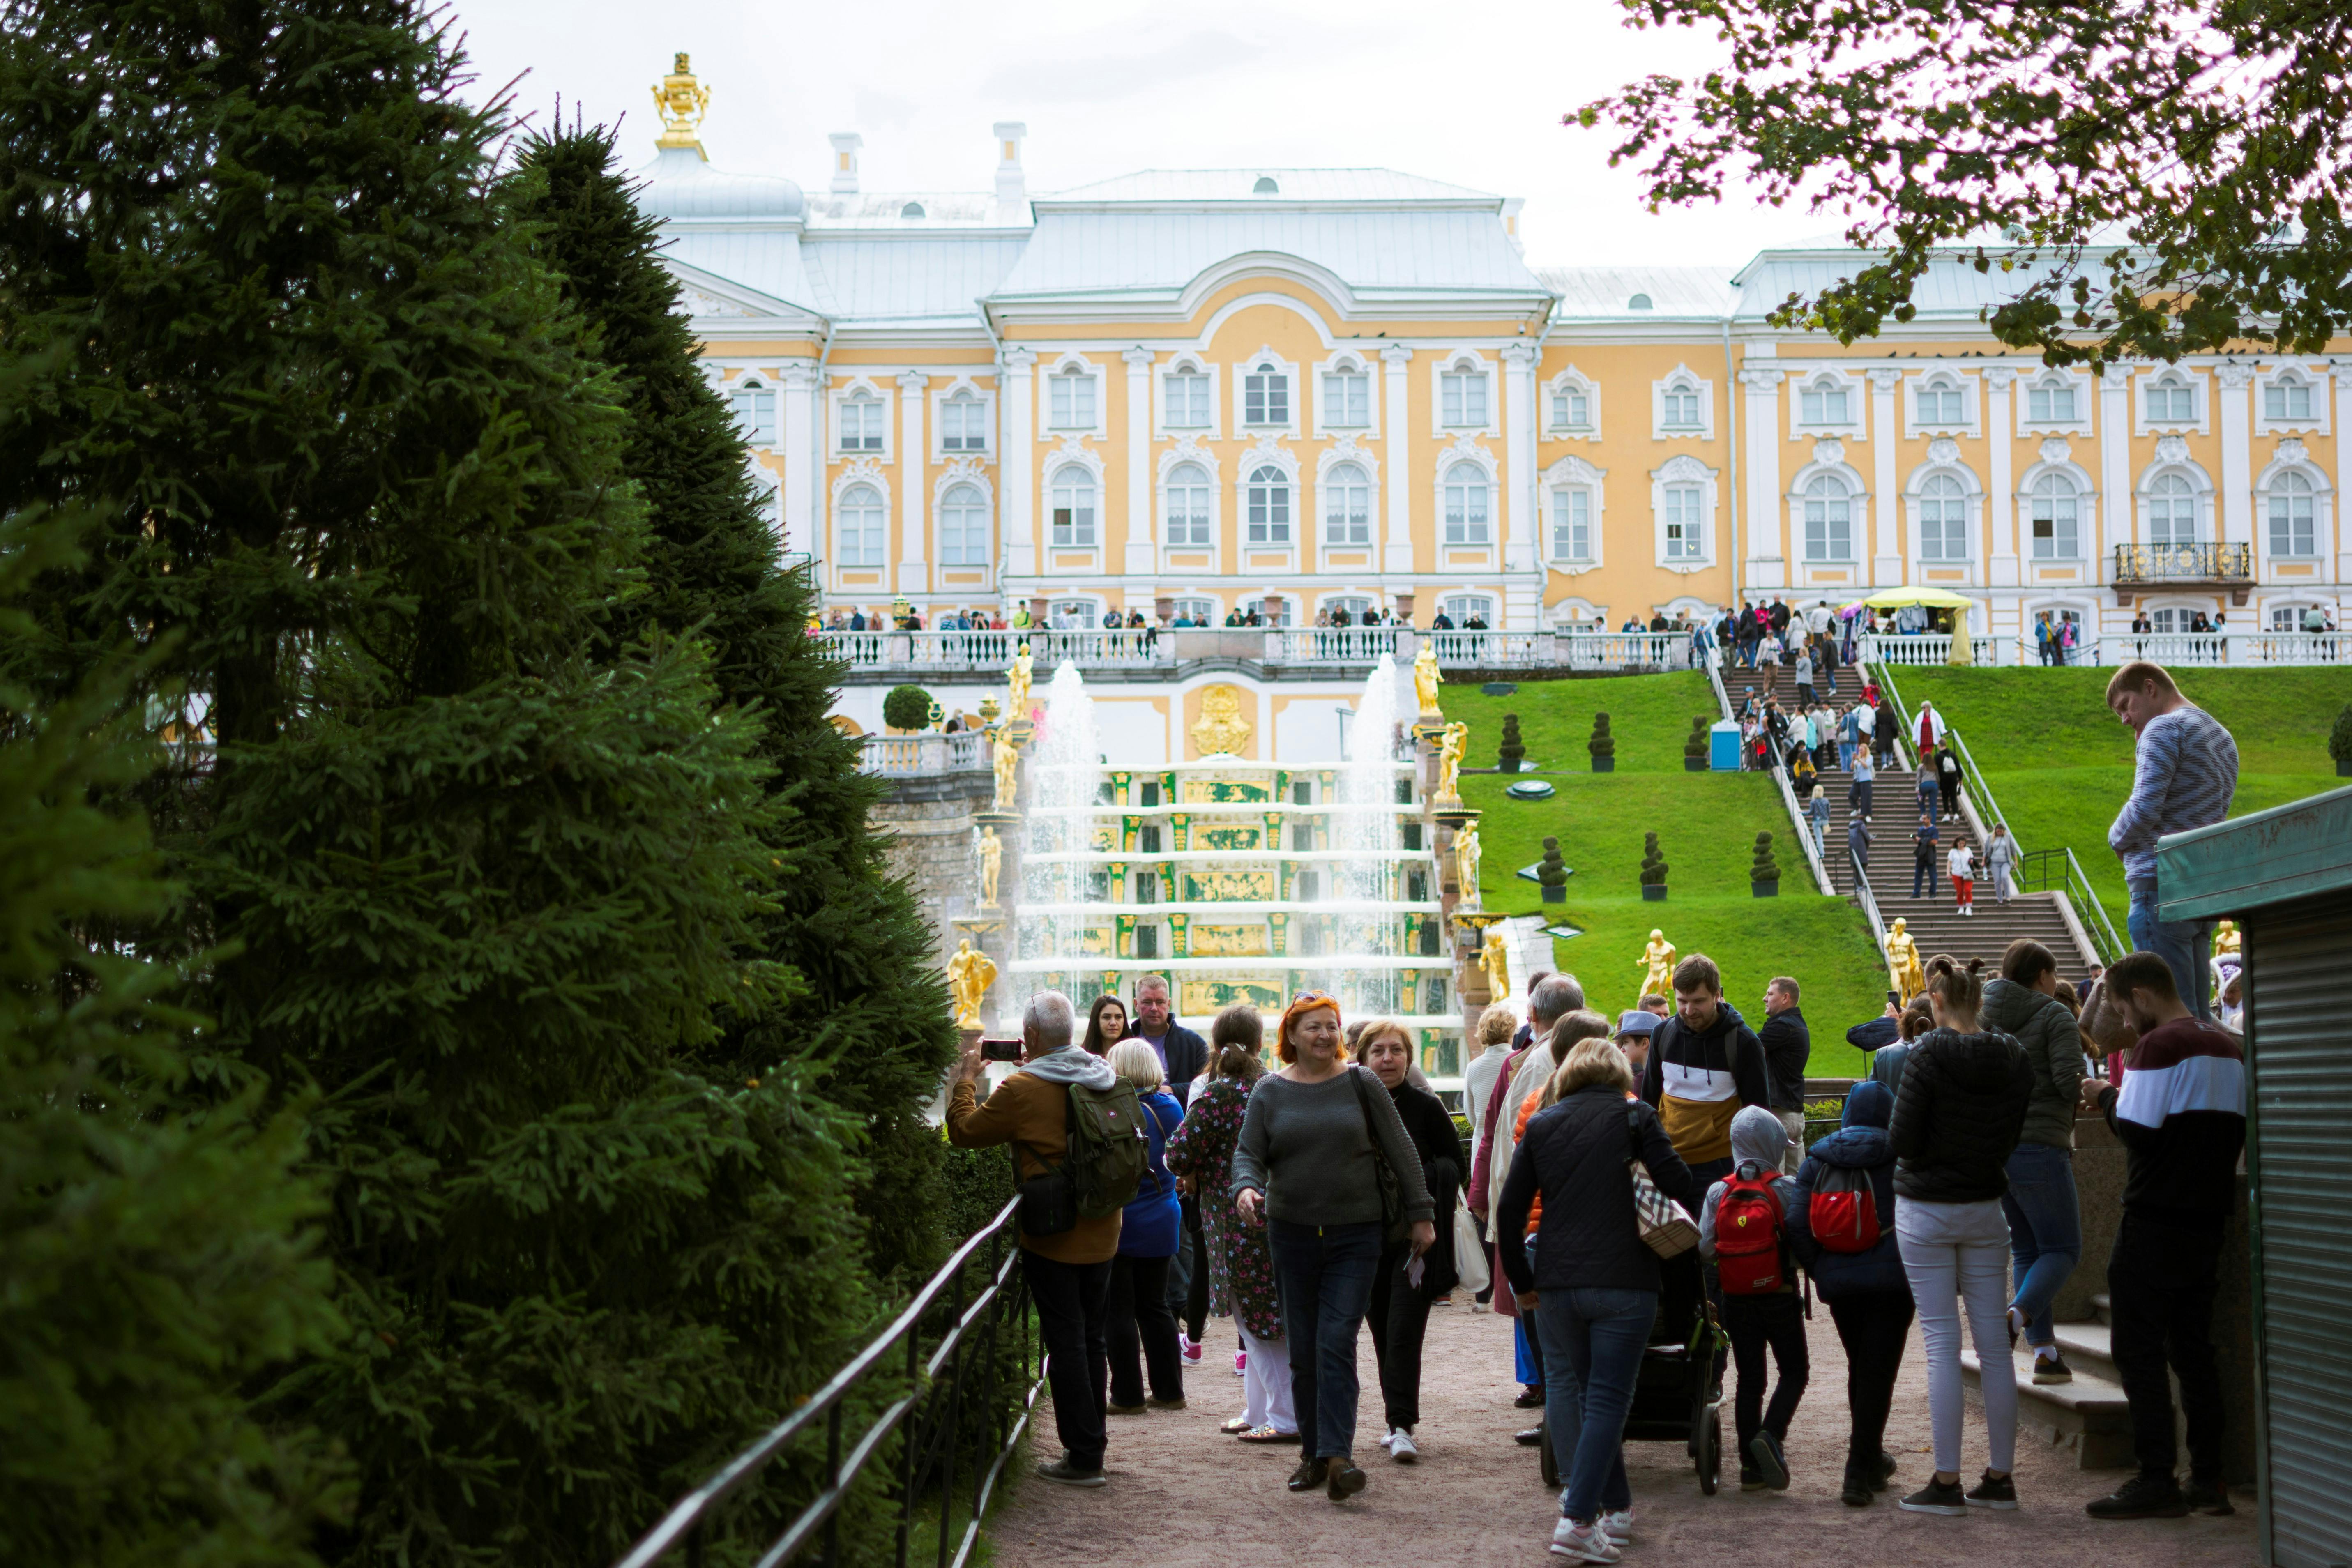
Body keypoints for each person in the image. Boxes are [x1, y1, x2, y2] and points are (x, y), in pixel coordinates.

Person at [1497, 1036, 1698, 1564]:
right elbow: (1680, 1183)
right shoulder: (1636, 1118)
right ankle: (1578, 1518)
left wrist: (1522, 1284)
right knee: (1609, 1400)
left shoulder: (1542, 1124)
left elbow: (1509, 1211)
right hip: (1625, 1279)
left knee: (1591, 1398)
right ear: (1618, 1075)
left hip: (1557, 1283)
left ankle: (1617, 1508)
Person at [1231, 993, 1435, 1501]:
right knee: (1303, 1348)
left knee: (1335, 1340)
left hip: (1356, 1234)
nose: (1325, 1035)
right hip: (1291, 1232)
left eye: (1332, 1026)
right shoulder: (1269, 1091)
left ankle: (1339, 1456)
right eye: (1314, 1027)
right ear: (1292, 1036)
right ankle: (1313, 1456)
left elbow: (1402, 1150)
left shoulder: (1361, 1082)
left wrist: (1422, 1214)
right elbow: (1248, 1154)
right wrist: (1245, 1188)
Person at [2076, 955, 2246, 1520]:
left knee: (2139, 1351)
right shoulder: (2226, 1043)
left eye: (2124, 1009)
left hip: (2154, 1217)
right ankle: (2209, 1478)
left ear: (2142, 995)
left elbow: (2137, 1131)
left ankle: (2155, 1478)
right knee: (2194, 1351)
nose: (2125, 1020)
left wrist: (2103, 1094)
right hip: (2207, 1217)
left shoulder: (2160, 1046)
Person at [945, 991, 1123, 1487]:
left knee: (1066, 1340)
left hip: (1054, 1234)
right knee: (1092, 1337)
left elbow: (963, 1132)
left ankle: (1084, 1457)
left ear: (1030, 1038)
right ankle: (1094, 1444)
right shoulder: (1101, 1072)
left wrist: (966, 1081)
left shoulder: (1022, 1088)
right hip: (1104, 1226)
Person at [1887, 956, 2033, 1515]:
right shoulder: (2015, 1058)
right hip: (1984, 1204)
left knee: (1941, 1344)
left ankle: (1946, 1482)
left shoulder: (1926, 1053)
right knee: (1993, 1346)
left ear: (1938, 1002)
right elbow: (2012, 1134)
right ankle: (2000, 1477)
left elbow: (1902, 1138)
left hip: (1925, 1207)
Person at [1164, 1006, 1294, 1444]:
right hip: (1276, 1214)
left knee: (1258, 1325)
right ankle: (1258, 1410)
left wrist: (1191, 1164)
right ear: (1261, 1044)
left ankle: (1286, 1417)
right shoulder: (1276, 1086)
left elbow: (1178, 1153)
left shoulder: (1219, 1094)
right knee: (1257, 1322)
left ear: (1216, 1047)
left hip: (1232, 1221)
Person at [1786, 1080, 1911, 1506]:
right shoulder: (1903, 1154)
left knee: (1861, 1365)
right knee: (1877, 1371)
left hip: (1839, 1281)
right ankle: (1857, 1472)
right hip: (1893, 1282)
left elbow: (1797, 1223)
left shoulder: (1818, 1158)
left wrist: (1822, 1269)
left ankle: (1871, 1460)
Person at [2105, 662, 2239, 1019]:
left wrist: (2114, 837)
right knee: (2197, 1016)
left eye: (2125, 705)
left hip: (2158, 886)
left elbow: (2144, 807)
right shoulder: (2221, 736)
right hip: (2199, 888)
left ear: (2150, 688)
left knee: (2167, 1017)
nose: (2123, 719)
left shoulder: (2163, 728)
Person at [1981, 939, 2085, 1385]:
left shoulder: (1983, 1018)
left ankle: (2044, 1353)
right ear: (2043, 976)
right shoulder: (2055, 1014)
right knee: (2063, 1248)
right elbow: (2067, 1081)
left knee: (2026, 1249)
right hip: (2042, 1146)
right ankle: (2015, 1316)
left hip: (1998, 1151)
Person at [1358, 1022, 1460, 1463]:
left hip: (1414, 1238)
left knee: (1403, 1330)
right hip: (1362, 1237)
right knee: (1381, 1328)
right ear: (1362, 1058)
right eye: (1378, 1051)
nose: (1388, 1058)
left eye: (1396, 1050)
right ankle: (1393, 1417)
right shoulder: (1351, 1104)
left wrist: (1423, 1178)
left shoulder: (1425, 1106)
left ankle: (1402, 1423)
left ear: (1409, 1056)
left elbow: (1456, 1163)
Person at [1699, 1107, 1808, 1492]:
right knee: (1794, 1371)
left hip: (1735, 1299)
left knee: (1749, 1381)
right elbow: (1800, 1242)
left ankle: (1750, 1468)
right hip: (1778, 1295)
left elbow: (1706, 1248)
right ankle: (1772, 1434)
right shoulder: (1787, 1187)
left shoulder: (1718, 1190)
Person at [1103, 1041, 1186, 1416]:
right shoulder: (1170, 1108)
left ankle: (1127, 1395)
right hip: (1161, 1214)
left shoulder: (1111, 1108)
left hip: (1119, 1218)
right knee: (1156, 1306)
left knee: (1118, 1309)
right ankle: (1169, 1391)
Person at [1638, 954, 1769, 1190]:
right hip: (1668, 1162)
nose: (1689, 1011)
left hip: (1719, 1170)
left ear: (1717, 995)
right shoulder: (1662, 1034)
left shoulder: (1743, 1042)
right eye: (1682, 1001)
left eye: (1698, 1001)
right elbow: (1648, 1101)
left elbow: (1758, 1114)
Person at [1757, 978, 1810, 1175]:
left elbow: (1748, 1047)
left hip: (1780, 1115)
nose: (1765, 998)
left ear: (1786, 998)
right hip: (1793, 1114)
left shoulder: (1782, 1026)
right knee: (1794, 1183)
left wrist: (1726, 1015)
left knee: (1774, 1181)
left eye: (1770, 994)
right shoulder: (1797, 1024)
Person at [1462, 1004, 1518, 1154]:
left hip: (1481, 1148)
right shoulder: (1520, 1063)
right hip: (1511, 1147)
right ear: (1511, 1032)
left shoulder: (1473, 1067)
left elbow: (1471, 1115)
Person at [1079, 993, 1129, 1057]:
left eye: (1118, 1017)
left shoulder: (1135, 1055)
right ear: (1097, 1020)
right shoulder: (1082, 1057)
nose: (1113, 1023)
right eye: (1106, 1017)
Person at [1613, 1010, 1659, 1079]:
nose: (1622, 1049)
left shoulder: (1642, 1080)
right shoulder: (1660, 1074)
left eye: (1626, 1042)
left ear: (1644, 1043)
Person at [1985, 823, 2017, 905]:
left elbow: (2013, 849)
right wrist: (1983, 861)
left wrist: (2016, 861)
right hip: (1994, 863)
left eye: (2001, 832)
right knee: (1997, 881)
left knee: (2004, 877)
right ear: (1995, 831)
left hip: (2005, 862)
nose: (1999, 833)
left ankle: (2008, 897)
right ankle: (2000, 899)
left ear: (2004, 831)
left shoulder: (2008, 837)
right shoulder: (1991, 837)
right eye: (1998, 831)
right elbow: (1986, 850)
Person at [1911, 813, 1939, 899]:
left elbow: (1934, 842)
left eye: (1924, 819)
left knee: (1932, 875)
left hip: (1930, 854)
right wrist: (1915, 839)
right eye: (1922, 819)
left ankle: (1933, 893)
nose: (1923, 821)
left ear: (1929, 819)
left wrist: (1923, 840)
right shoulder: (1921, 829)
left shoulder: (1934, 829)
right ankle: (1916, 893)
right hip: (1921, 853)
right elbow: (1918, 841)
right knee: (1918, 874)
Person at [1948, 838, 1975, 916]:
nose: (1961, 845)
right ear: (1957, 843)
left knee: (1968, 890)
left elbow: (1972, 858)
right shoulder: (1953, 851)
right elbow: (1949, 862)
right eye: (1960, 843)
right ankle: (1961, 907)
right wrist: (1948, 872)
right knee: (1960, 891)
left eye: (1963, 843)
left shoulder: (1968, 850)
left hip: (1967, 873)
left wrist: (1971, 861)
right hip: (1957, 873)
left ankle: (1969, 907)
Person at [1937, 743, 1963, 817]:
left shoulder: (1938, 756)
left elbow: (1936, 769)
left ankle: (1947, 814)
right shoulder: (1952, 754)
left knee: (1945, 796)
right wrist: (1960, 778)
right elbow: (1958, 766)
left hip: (1943, 779)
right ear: (1946, 744)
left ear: (1939, 745)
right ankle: (1956, 814)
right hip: (1954, 778)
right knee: (1954, 796)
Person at [1849, 745, 1875, 821]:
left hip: (1866, 779)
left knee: (1866, 798)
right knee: (1851, 795)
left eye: (1862, 750)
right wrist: (1853, 760)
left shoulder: (1870, 757)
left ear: (1866, 750)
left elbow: (1866, 766)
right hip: (1857, 780)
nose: (1860, 752)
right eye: (1859, 750)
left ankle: (1867, 814)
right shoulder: (1858, 758)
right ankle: (1856, 809)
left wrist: (1859, 759)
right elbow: (1852, 768)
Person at [1873, 701, 1899, 771]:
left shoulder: (1878, 713)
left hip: (1882, 731)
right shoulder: (1891, 712)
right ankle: (1890, 761)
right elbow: (1894, 725)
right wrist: (1896, 734)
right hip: (1890, 731)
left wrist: (1877, 735)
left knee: (1883, 747)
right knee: (1890, 746)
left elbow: (1877, 725)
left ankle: (1884, 763)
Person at [1794, 643, 1817, 709]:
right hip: (1809, 680)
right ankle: (1812, 708)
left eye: (1801, 652)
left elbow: (1800, 668)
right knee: (1810, 696)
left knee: (1804, 696)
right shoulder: (1809, 660)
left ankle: (1804, 708)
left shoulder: (1803, 659)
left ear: (1804, 653)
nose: (1800, 654)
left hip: (1802, 680)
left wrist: (1797, 662)